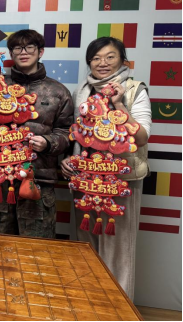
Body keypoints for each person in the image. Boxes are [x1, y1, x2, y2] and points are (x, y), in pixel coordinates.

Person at [61, 37, 151, 301]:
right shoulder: (82, 91)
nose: (103, 63)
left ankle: (118, 309)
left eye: (110, 57)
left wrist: (120, 104)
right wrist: (69, 160)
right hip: (86, 179)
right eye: (96, 58)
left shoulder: (134, 90)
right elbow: (77, 135)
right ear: (89, 62)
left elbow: (142, 137)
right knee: (85, 247)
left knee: (118, 250)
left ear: (122, 60)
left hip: (121, 181)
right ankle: (88, 305)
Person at [0, 29, 74, 238]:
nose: (23, 52)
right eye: (17, 48)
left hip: (39, 180)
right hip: (1, 179)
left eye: (29, 47)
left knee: (36, 249)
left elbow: (66, 131)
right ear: (11, 54)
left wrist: (48, 142)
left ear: (40, 51)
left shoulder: (58, 91)